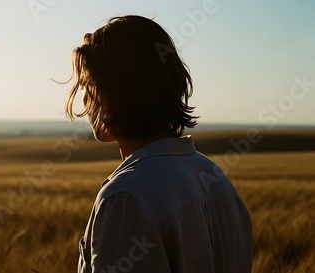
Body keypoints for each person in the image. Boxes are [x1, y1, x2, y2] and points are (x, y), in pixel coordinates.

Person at [65, 15, 253, 273]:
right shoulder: (216, 178)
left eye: (89, 85)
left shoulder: (125, 198)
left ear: (114, 93)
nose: (85, 97)